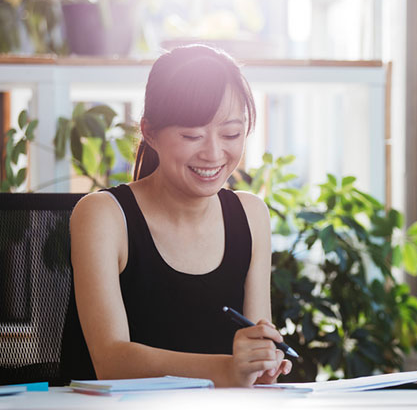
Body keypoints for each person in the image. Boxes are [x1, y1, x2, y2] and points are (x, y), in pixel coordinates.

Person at [62, 45, 291, 387]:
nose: (214, 153)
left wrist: (261, 363)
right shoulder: (104, 216)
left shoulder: (250, 214)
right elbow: (110, 361)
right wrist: (228, 369)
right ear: (150, 132)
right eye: (191, 135)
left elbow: (257, 353)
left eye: (231, 134)